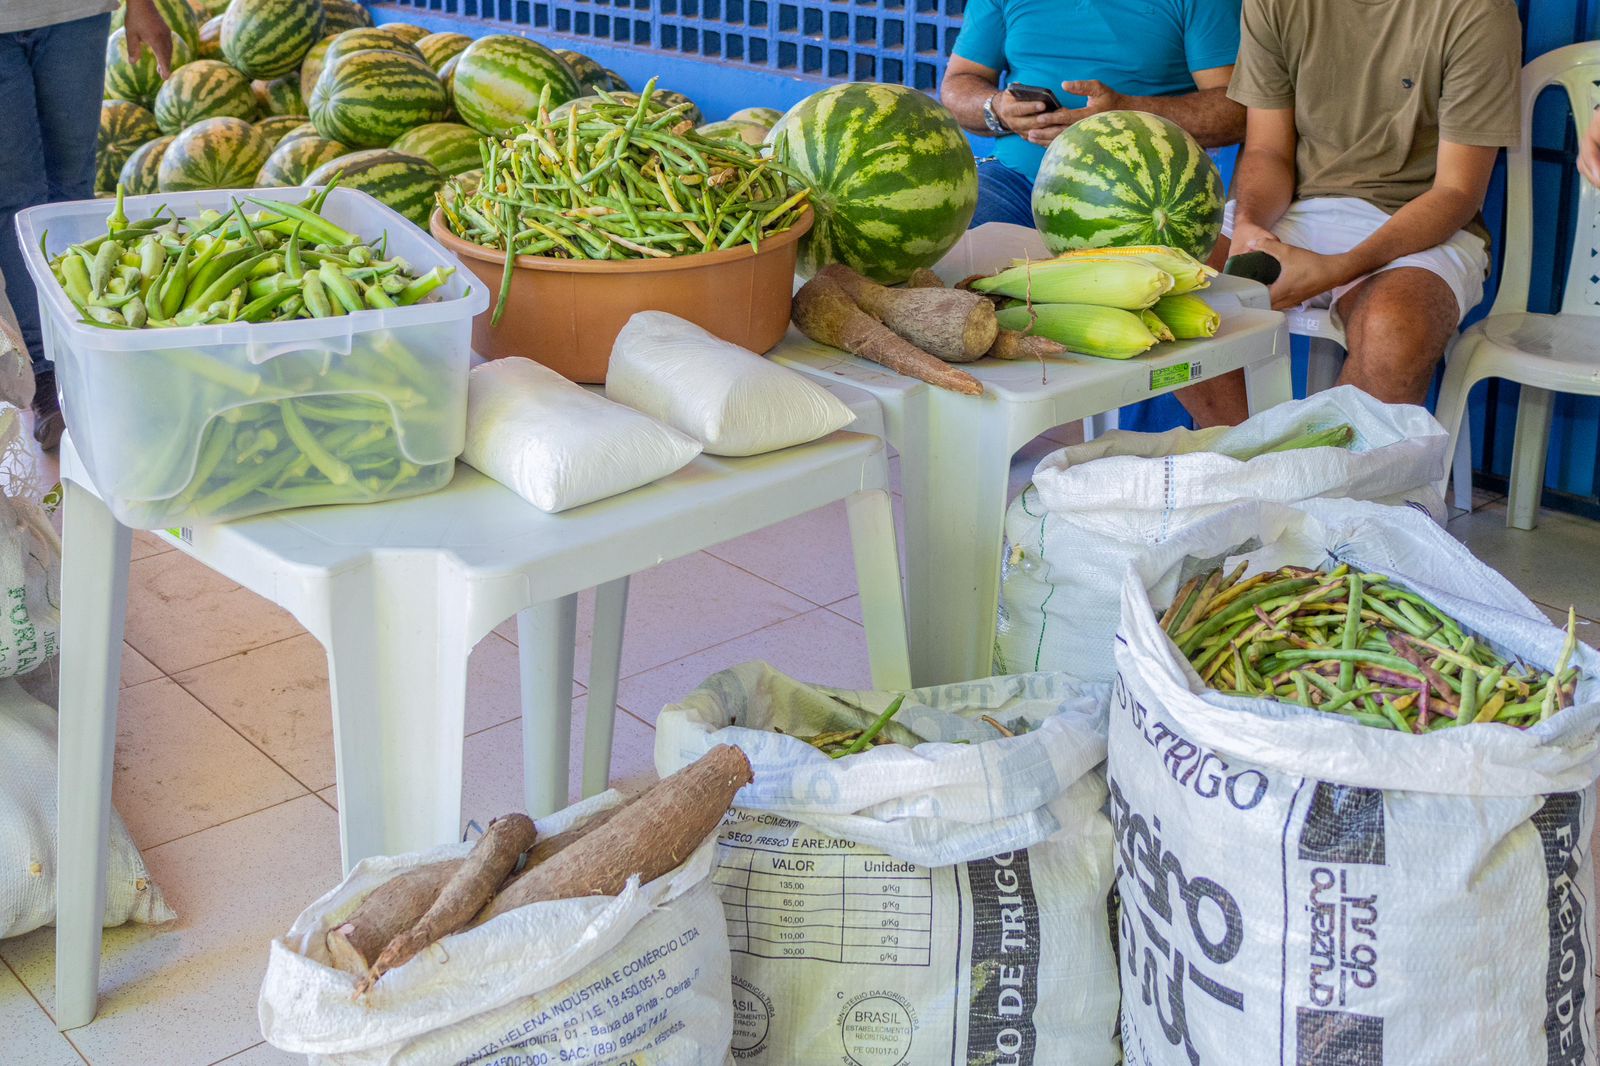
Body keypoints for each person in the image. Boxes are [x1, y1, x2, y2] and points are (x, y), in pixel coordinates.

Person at [1178, 0, 1523, 428]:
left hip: (1417, 221)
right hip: (1293, 206)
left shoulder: (1479, 11)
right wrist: (1251, 225)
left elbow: (1457, 192)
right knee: (1167, 287)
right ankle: (1260, 456)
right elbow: (1268, 150)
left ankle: (1329, 468)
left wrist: (1341, 267)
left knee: (1393, 328)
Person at [0, 0, 171, 449]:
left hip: (75, 13)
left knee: (72, 190)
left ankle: (89, 355)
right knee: (15, 203)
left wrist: (141, 5)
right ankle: (47, 376)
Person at [941, 0, 1247, 230]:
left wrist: (1125, 115)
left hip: (1146, 199)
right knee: (941, 248)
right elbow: (958, 83)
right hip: (1016, 182)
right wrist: (998, 108)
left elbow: (1238, 111)